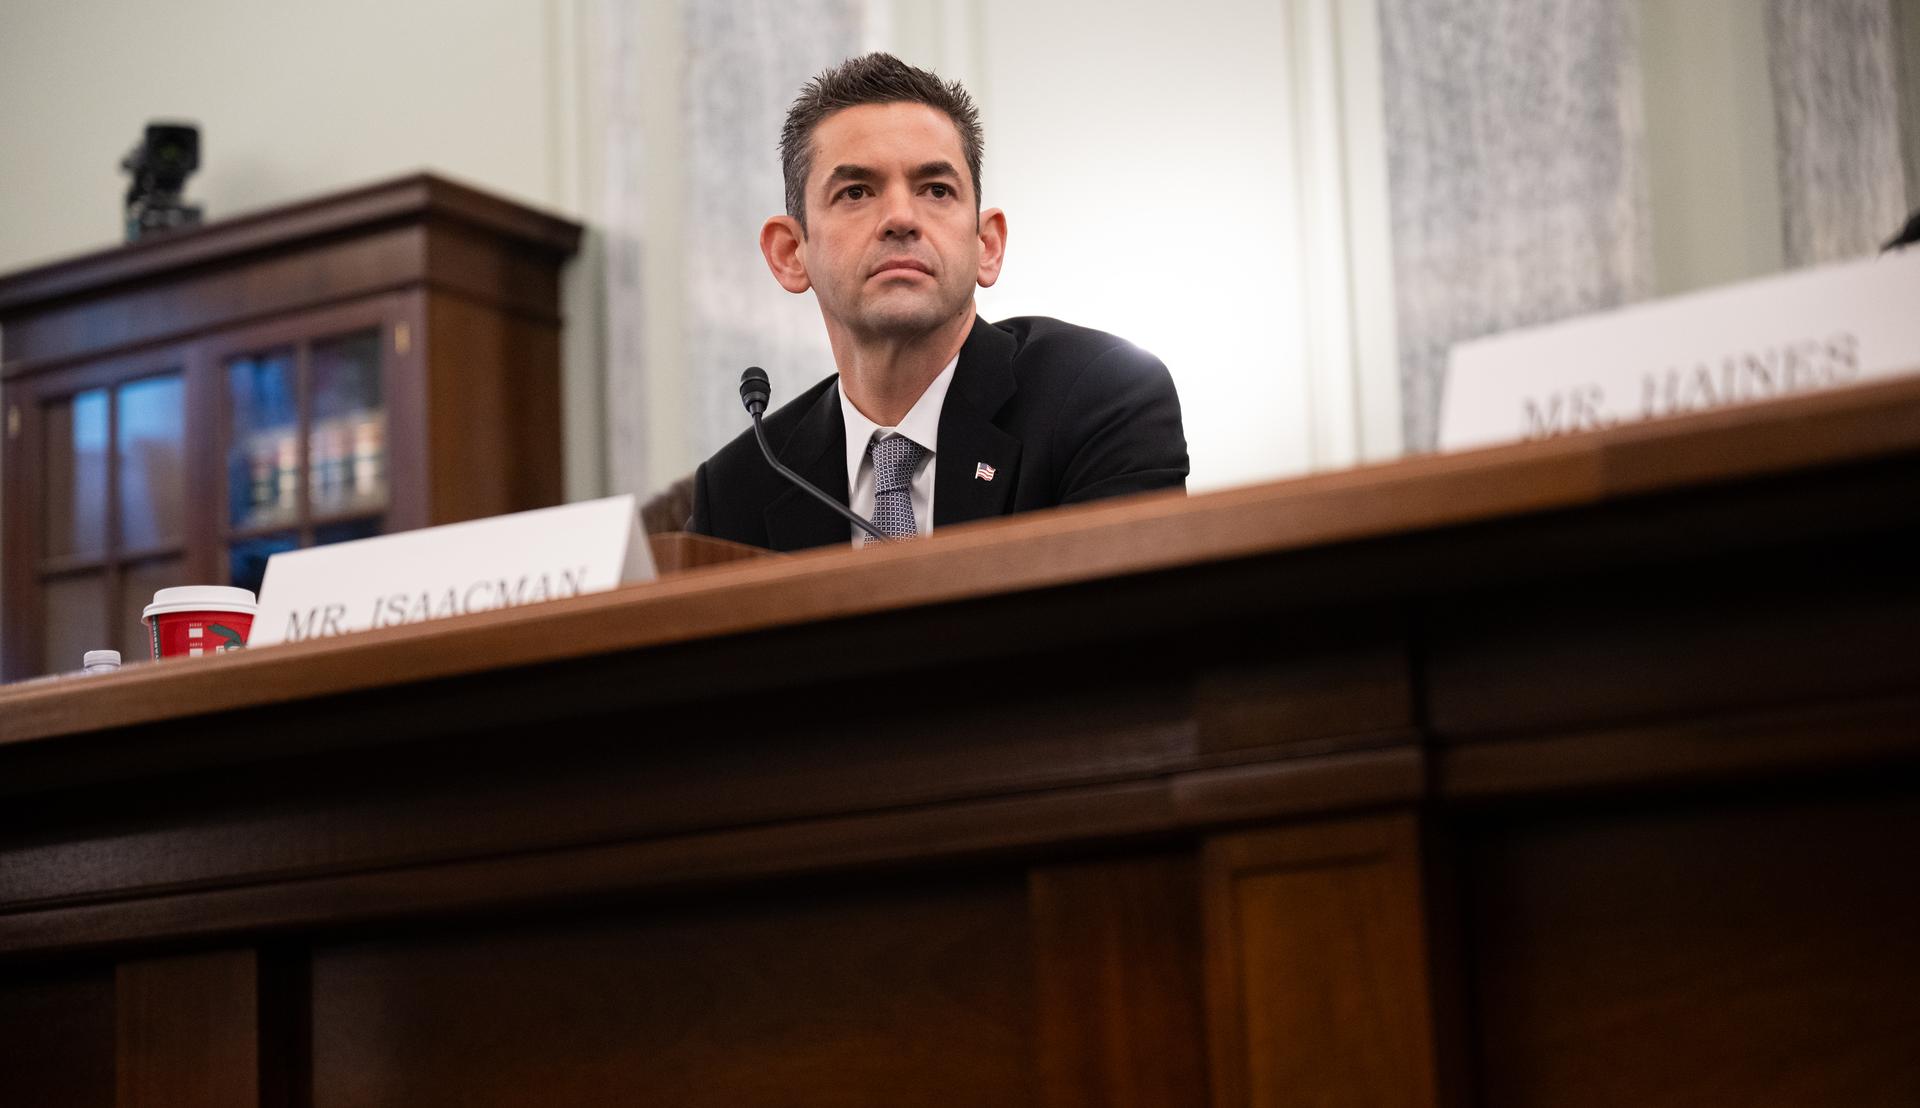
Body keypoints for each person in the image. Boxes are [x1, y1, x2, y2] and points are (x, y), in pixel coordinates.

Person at [688, 53, 1188, 551]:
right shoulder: (739, 488)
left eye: (936, 189)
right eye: (857, 191)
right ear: (790, 254)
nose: (901, 217)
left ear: (986, 246)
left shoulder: (1100, 397)